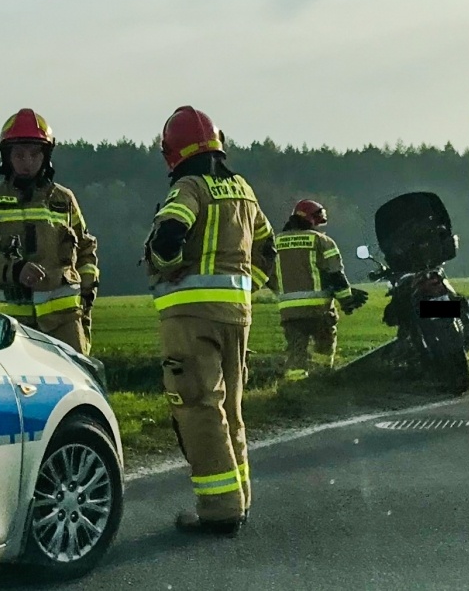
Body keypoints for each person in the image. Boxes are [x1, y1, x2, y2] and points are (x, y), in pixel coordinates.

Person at [144, 106, 276, 536]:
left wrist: (168, 265)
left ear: (172, 151)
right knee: (231, 411)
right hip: (237, 317)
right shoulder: (244, 191)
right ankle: (239, 499)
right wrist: (246, 287)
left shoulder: (189, 187)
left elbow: (168, 237)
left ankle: (218, 510)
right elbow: (268, 251)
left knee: (199, 409)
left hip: (190, 316)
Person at [0, 109, 98, 353]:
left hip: (64, 325)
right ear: (6, 156)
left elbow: (86, 249)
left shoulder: (64, 200)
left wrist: (87, 292)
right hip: (9, 328)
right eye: (19, 155)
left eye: (34, 154)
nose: (27, 162)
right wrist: (13, 270)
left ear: (46, 155)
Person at [275, 199, 369, 380]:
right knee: (323, 349)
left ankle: (295, 390)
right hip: (320, 311)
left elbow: (272, 276)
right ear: (312, 220)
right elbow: (335, 276)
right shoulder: (322, 241)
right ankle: (322, 380)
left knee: (296, 353)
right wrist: (347, 300)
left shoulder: (276, 242)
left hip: (290, 313)